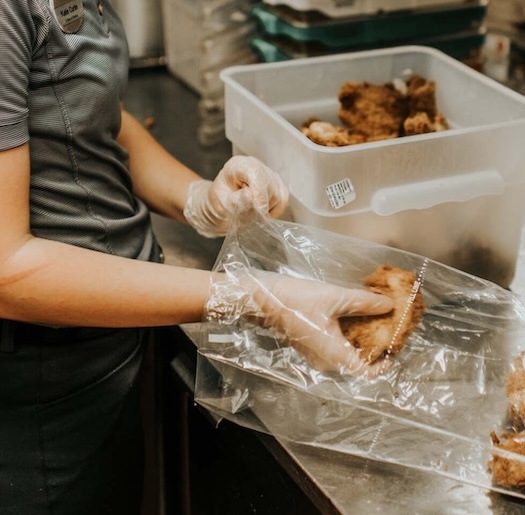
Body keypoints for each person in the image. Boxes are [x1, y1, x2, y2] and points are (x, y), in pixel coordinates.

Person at [0, 2, 394, 514]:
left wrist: (201, 199)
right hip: (41, 383)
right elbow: (8, 270)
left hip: (109, 344)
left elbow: (91, 111)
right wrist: (254, 297)